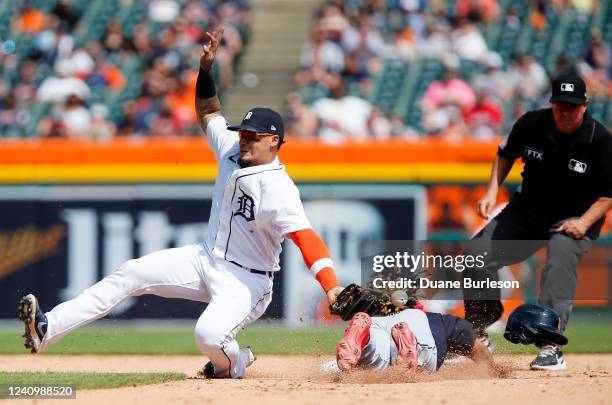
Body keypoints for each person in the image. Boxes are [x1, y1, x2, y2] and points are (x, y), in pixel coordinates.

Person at [18, 28, 344, 379]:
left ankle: (235, 361)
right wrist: (205, 70)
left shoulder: (278, 187)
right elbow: (208, 112)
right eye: (243, 133)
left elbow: (304, 237)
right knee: (132, 272)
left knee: (208, 336)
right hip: (205, 259)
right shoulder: (231, 148)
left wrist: (331, 286)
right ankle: (47, 328)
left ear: (275, 142)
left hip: (247, 282)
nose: (244, 140)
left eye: (253, 137)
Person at [463, 74, 612, 370]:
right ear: (552, 104)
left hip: (575, 217)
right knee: (475, 254)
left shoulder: (600, 139)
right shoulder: (531, 123)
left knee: (559, 254)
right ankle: (480, 329)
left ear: (585, 105)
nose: (565, 112)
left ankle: (551, 345)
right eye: (560, 105)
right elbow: (505, 153)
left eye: (572, 106)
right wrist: (492, 190)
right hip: (527, 212)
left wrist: (583, 222)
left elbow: (609, 193)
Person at [335, 309, 495, 373]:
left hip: (379, 321)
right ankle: (414, 348)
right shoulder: (449, 323)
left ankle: (366, 340)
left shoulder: (394, 309)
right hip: (420, 328)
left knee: (375, 346)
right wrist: (493, 370)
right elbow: (478, 348)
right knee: (425, 358)